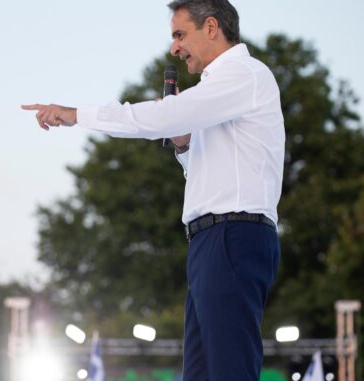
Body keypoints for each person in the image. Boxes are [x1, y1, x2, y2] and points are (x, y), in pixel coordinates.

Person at [22, 0, 284, 379]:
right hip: (211, 240)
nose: (174, 48)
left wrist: (77, 114)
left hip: (233, 235)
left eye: (180, 35)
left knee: (228, 370)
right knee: (200, 372)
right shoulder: (217, 93)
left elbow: (160, 116)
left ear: (211, 27)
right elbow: (206, 169)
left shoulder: (243, 74)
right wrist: (183, 145)